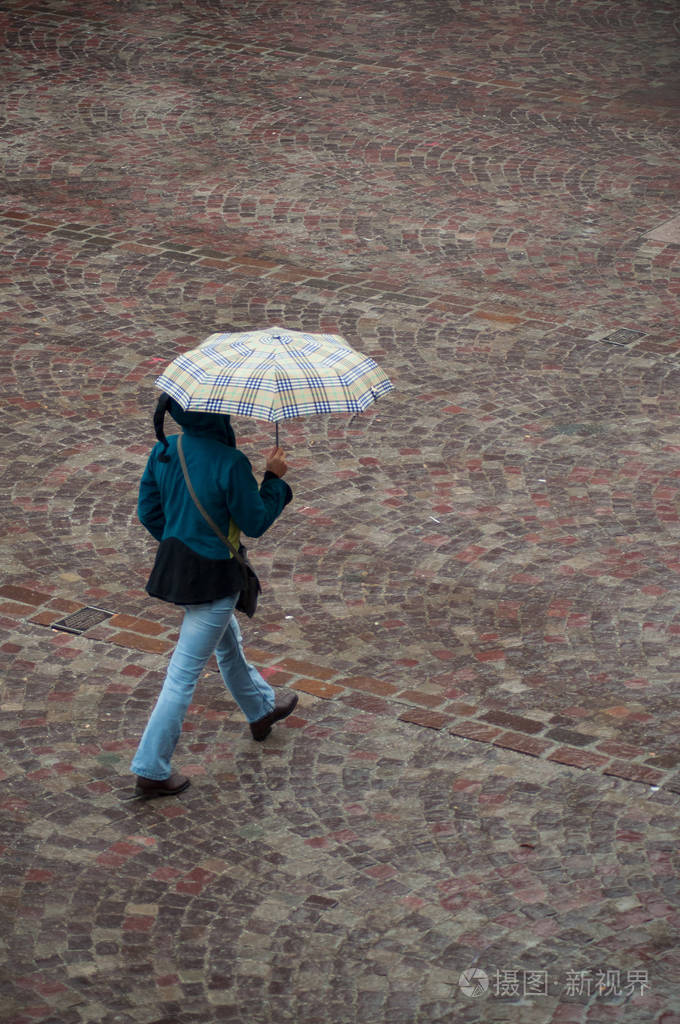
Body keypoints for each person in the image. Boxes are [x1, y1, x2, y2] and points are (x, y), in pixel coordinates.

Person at [130, 393, 297, 799]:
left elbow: (149, 513)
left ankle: (260, 709)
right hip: (215, 578)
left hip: (178, 572)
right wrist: (274, 480)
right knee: (182, 676)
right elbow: (255, 521)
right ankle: (151, 769)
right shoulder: (231, 462)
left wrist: (180, 541)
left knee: (227, 643)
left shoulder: (165, 449)